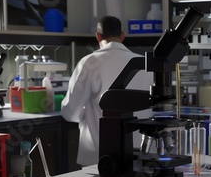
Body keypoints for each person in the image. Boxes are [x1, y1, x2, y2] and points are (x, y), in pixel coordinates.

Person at [61, 16, 153, 167]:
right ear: (122, 35)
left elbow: (70, 112)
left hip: (98, 157)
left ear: (98, 36)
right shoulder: (144, 64)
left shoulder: (89, 63)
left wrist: (86, 113)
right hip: (141, 152)